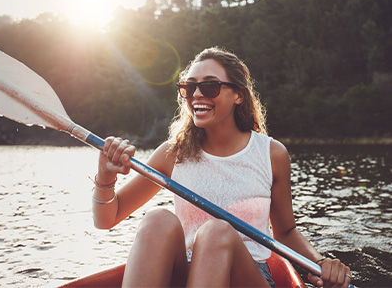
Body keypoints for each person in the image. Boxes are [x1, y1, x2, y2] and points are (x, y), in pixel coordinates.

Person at [91, 47, 352, 287]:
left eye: (210, 86)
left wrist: (320, 263)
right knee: (157, 219)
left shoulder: (271, 154)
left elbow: (285, 231)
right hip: (187, 276)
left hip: (249, 276)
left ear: (239, 94)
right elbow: (107, 219)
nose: (196, 95)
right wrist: (105, 175)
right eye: (189, 87)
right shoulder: (173, 153)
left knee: (217, 231)